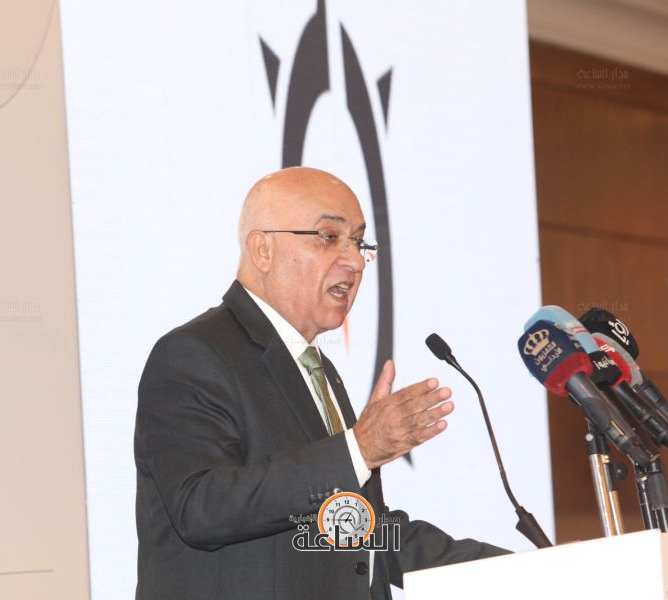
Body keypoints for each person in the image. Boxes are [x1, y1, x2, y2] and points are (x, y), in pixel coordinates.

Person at [134, 167, 508, 599]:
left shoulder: (318, 370)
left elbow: (358, 531)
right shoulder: (194, 354)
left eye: (359, 242)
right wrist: (358, 449)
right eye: (329, 237)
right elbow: (201, 507)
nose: (355, 261)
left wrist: (519, 571)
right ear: (262, 250)